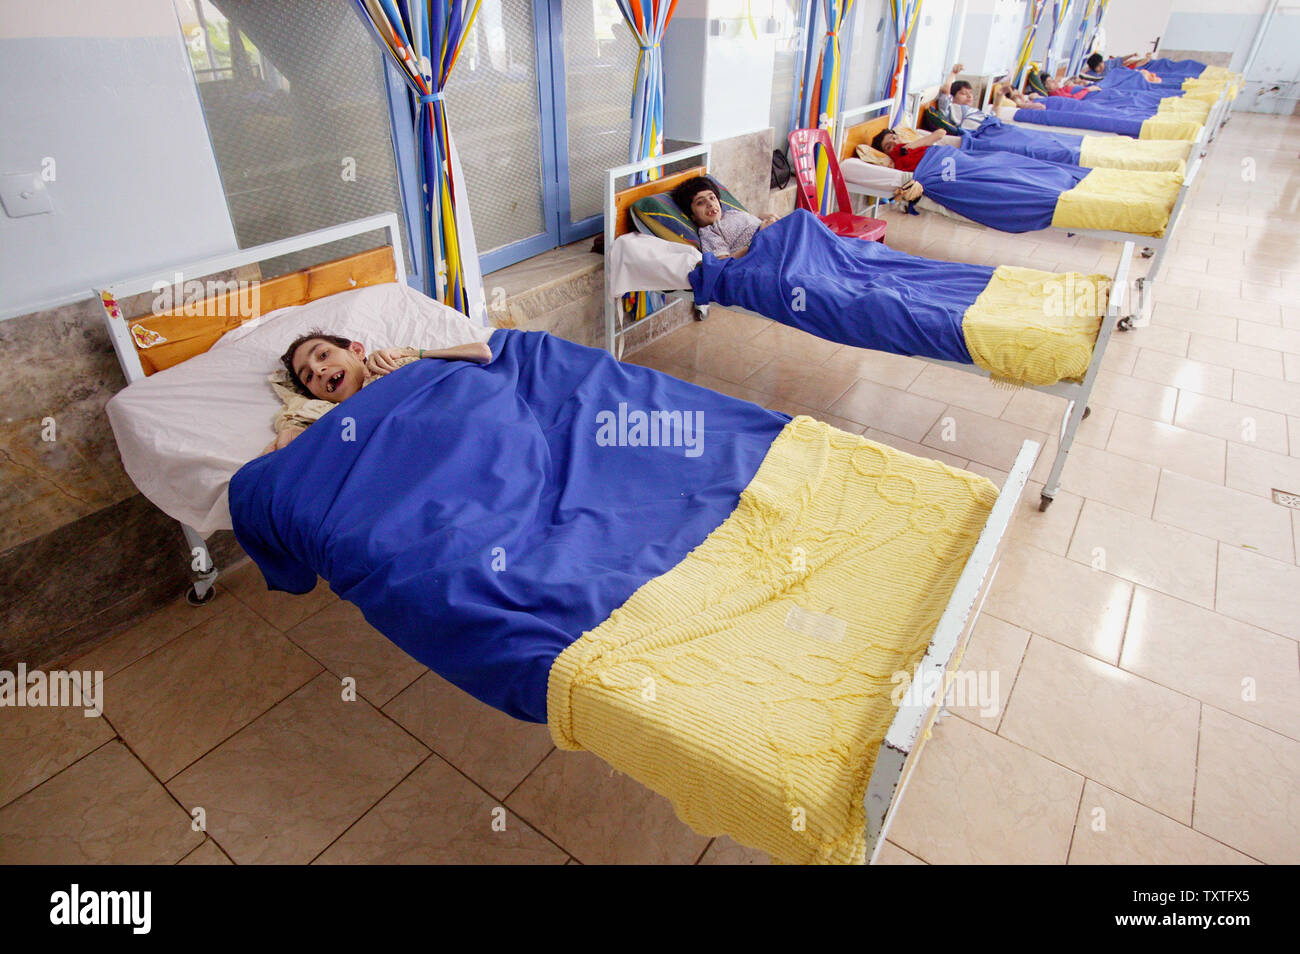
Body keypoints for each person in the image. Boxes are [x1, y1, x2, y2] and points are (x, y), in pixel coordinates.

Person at [261, 330, 492, 454]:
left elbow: (482, 353)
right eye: (308, 376)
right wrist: (289, 431)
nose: (319, 370)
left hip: (470, 425)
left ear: (357, 350)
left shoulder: (397, 363)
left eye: (323, 355)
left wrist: (409, 353)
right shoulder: (333, 418)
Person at [670, 176, 777, 258]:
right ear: (692, 215)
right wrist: (759, 238)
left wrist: (762, 217)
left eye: (712, 198)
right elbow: (723, 265)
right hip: (764, 249)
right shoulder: (709, 232)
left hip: (774, 236)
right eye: (700, 202)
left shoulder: (731, 213)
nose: (710, 204)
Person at [934, 64, 994, 130]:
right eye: (964, 93)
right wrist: (953, 73)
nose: (969, 96)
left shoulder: (973, 110)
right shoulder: (950, 108)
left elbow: (993, 116)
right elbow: (945, 90)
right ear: (952, 98)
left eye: (971, 93)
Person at [870, 126, 947, 172]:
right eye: (889, 147)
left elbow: (941, 133)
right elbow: (940, 134)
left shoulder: (913, 144)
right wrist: (908, 147)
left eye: (894, 138)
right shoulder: (901, 155)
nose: (895, 143)